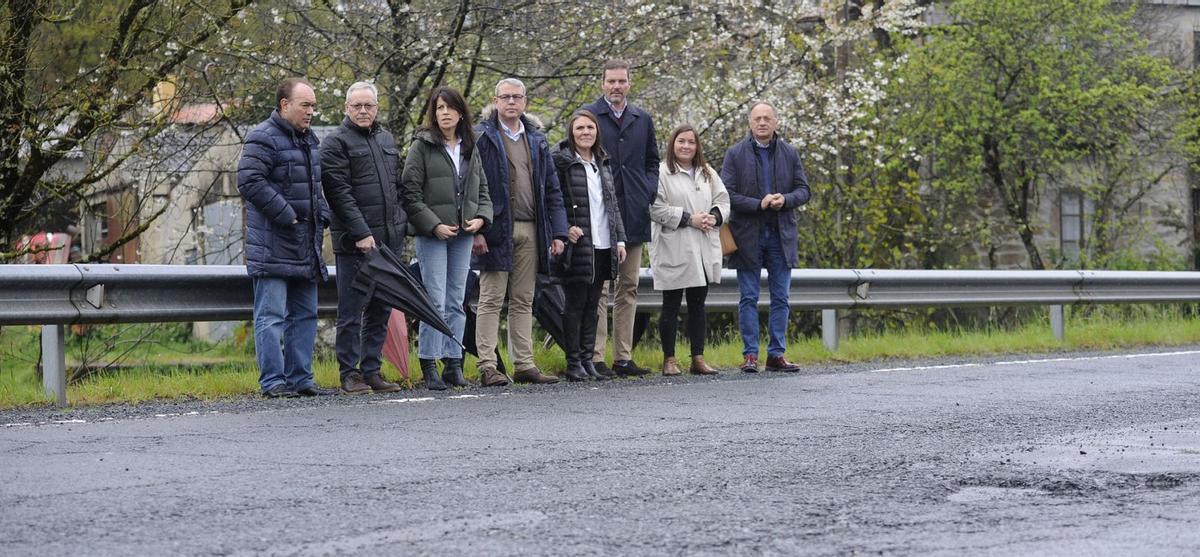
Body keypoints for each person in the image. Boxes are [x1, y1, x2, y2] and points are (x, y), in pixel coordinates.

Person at [237, 77, 336, 398]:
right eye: (305, 105)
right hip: (273, 245)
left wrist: (323, 214)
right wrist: (288, 215)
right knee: (272, 317)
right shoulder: (262, 137)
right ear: (284, 105)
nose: (311, 112)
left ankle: (301, 379)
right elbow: (250, 181)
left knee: (305, 316)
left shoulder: (309, 140)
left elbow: (313, 187)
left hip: (304, 246)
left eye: (313, 106)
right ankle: (273, 382)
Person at [472, 78, 569, 386]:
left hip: (531, 226)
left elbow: (552, 188)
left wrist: (558, 232)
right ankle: (487, 365)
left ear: (525, 102)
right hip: (495, 227)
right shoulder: (482, 136)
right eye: (506, 97)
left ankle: (524, 364)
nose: (511, 102)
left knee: (524, 298)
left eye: (517, 97)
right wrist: (477, 228)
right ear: (495, 101)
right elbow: (473, 186)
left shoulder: (537, 139)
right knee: (490, 298)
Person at [401, 86, 492, 390]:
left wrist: (481, 218)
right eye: (439, 108)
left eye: (449, 108)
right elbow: (410, 194)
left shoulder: (470, 146)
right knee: (434, 300)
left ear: (460, 112)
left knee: (457, 300)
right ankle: (429, 363)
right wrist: (434, 225)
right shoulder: (422, 145)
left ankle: (454, 363)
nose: (444, 113)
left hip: (463, 235)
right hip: (433, 236)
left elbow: (482, 191)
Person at [320, 81, 405, 395]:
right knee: (352, 311)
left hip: (389, 243)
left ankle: (372, 371)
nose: (363, 110)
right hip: (355, 245)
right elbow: (339, 195)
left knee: (381, 309)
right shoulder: (335, 143)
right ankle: (349, 374)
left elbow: (396, 187)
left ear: (377, 107)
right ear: (346, 108)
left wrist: (401, 225)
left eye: (368, 105)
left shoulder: (385, 138)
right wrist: (362, 233)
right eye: (357, 105)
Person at [720, 101, 812, 373]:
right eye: (757, 118)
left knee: (781, 297)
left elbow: (804, 190)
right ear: (750, 123)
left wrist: (785, 199)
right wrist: (757, 203)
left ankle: (776, 354)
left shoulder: (789, 153)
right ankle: (750, 355)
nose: (762, 123)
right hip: (747, 235)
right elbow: (727, 194)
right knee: (748, 297)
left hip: (780, 236)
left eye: (767, 118)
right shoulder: (735, 154)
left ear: (776, 122)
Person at [583, 59, 658, 378]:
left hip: (634, 213)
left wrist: (647, 191)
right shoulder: (589, 116)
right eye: (611, 81)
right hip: (600, 214)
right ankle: (596, 356)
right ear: (602, 83)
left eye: (621, 81)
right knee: (599, 287)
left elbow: (653, 161)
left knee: (628, 286)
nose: (616, 86)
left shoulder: (642, 118)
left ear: (629, 83)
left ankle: (623, 357)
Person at [552, 109, 627, 381]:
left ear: (597, 132)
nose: (585, 133)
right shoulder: (561, 161)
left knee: (593, 303)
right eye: (580, 128)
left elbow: (612, 204)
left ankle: (587, 359)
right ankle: (573, 362)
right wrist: (562, 229)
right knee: (575, 302)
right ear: (572, 132)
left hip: (603, 241)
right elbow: (554, 199)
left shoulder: (602, 162)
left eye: (590, 128)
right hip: (577, 243)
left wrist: (619, 238)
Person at [649, 124, 730, 376]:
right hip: (674, 245)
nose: (686, 146)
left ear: (697, 147)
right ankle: (669, 359)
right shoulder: (661, 172)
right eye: (681, 141)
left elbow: (723, 200)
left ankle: (698, 357)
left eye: (691, 142)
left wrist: (714, 217)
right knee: (671, 305)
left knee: (698, 305)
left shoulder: (707, 173)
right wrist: (688, 218)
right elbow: (655, 207)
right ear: (673, 144)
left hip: (703, 246)